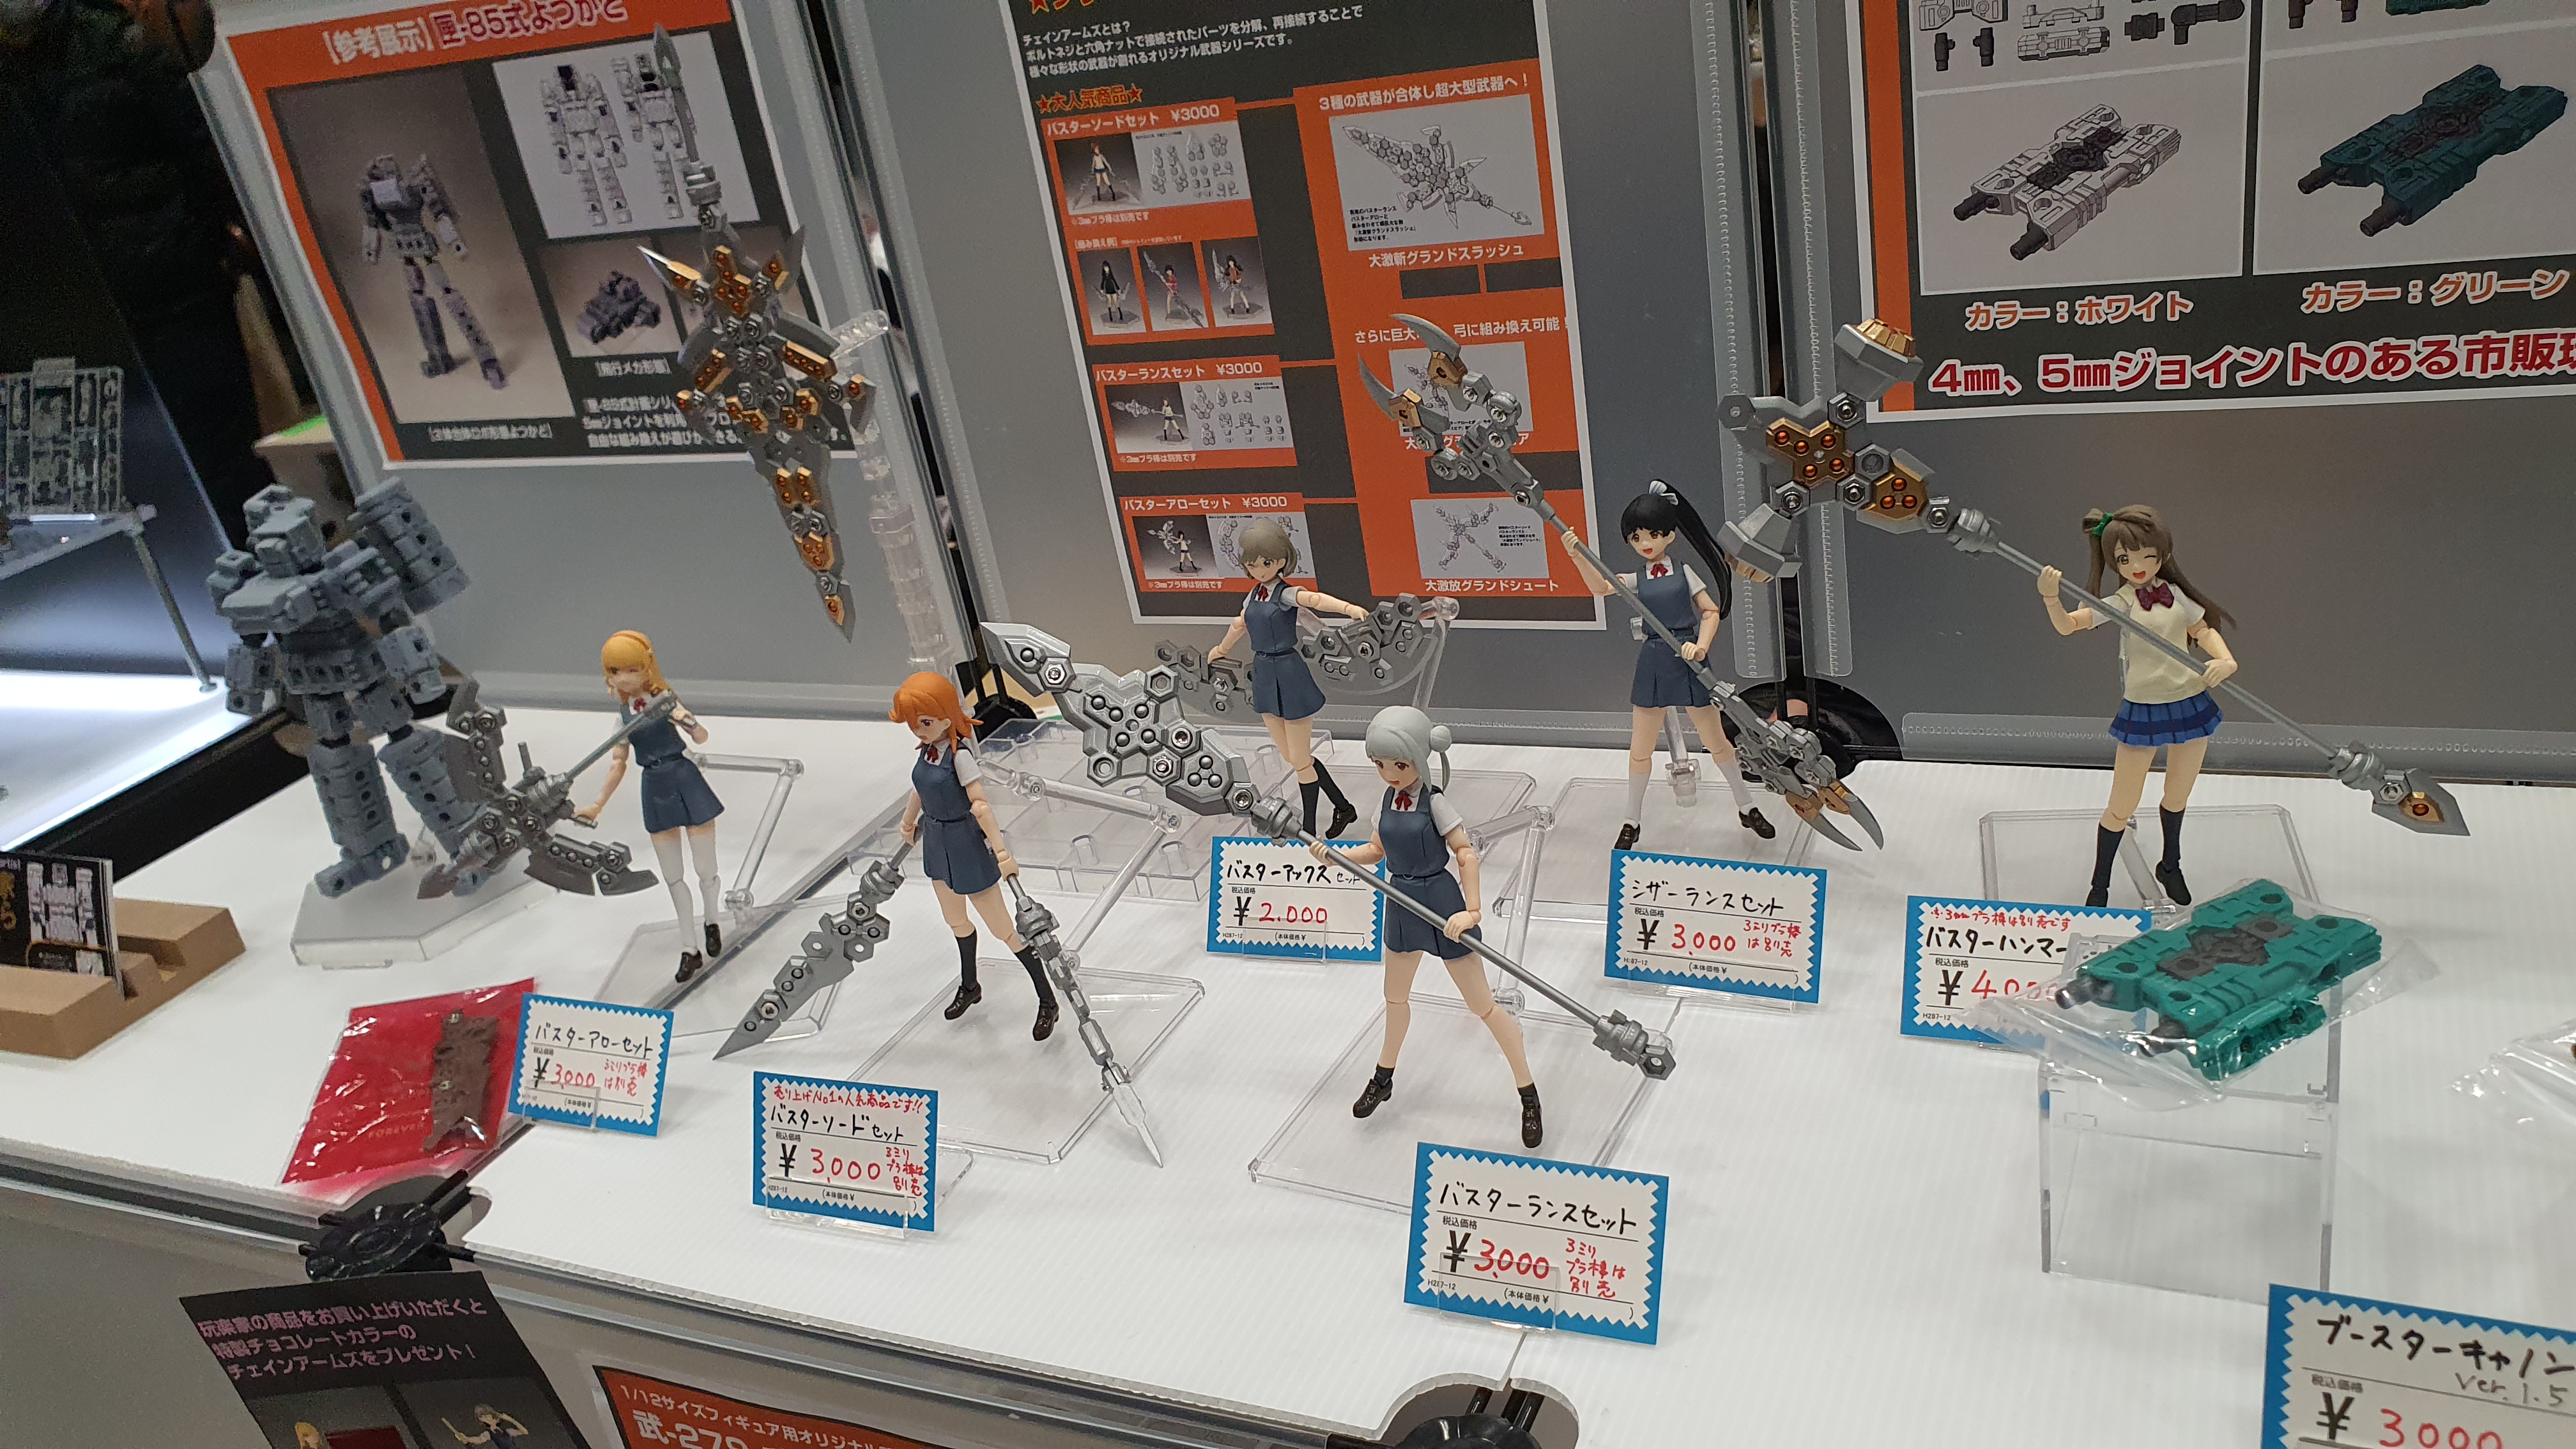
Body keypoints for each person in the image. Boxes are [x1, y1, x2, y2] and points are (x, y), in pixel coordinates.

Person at [1, 0, 286, 543]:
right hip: (51, 324)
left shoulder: (117, 45)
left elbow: (204, 155)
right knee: (72, 503)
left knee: (225, 466)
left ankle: (273, 572)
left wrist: (222, 249)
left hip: (173, 298)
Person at [1319, 707, 1540, 1147]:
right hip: (1401, 902)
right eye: (1380, 764)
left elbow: (1466, 854)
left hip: (1440, 902)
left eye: (1398, 765)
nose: (1389, 774)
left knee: (1484, 1007)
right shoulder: (1386, 800)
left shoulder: (1435, 802)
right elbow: (1376, 850)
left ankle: (1528, 1093)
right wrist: (1337, 856)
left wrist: (1472, 911)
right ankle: (1383, 1077)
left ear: (1420, 758)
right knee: (1395, 998)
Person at [2035, 505, 2237, 908]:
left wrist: (2226, 660)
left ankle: (2171, 865)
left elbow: (2202, 630)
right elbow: (2070, 626)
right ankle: (2100, 884)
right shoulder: (2122, 602)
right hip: (2143, 708)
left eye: (2147, 556)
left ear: (2163, 554)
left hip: (2189, 701)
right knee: (2121, 805)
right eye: (2125, 560)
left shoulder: (2176, 596)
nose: (2138, 567)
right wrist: (2051, 598)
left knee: (2177, 795)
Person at [1564, 480, 1775, 851]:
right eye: (1637, 537)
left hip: (1689, 658)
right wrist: (1578, 556)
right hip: (1655, 661)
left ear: (1669, 535)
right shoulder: (1638, 579)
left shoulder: (1684, 572)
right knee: (1641, 747)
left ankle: (1746, 806)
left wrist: (1701, 645)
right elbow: (1601, 587)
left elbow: (1710, 611)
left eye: (1653, 534)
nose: (1645, 543)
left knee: (1716, 741)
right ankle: (1631, 820)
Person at [893, 671, 1059, 1038]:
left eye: (925, 722)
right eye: (914, 723)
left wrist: (1001, 852)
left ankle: (1047, 999)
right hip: (937, 844)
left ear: (947, 717)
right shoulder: (927, 754)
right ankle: (970, 985)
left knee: (1005, 930)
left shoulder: (960, 757)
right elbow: (918, 789)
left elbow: (981, 806)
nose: (919, 730)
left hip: (966, 844)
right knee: (956, 922)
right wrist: (908, 821)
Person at [575, 631, 725, 981]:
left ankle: (713, 921)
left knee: (706, 869)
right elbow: (618, 763)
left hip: (685, 778)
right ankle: (689, 949)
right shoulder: (623, 718)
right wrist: (597, 805)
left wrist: (685, 719)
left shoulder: (665, 702)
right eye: (616, 671)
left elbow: (701, 737)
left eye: (632, 669)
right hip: (655, 787)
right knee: (674, 877)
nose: (624, 678)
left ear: (647, 667)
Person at [1204, 519, 1368, 837]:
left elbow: (1315, 601)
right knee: (1295, 758)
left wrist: (1349, 609)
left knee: (1300, 760)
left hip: (1289, 673)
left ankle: (1309, 829)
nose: (1259, 569)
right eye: (1252, 564)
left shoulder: (1286, 594)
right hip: (1264, 673)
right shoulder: (1254, 596)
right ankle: (1344, 808)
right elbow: (1240, 624)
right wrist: (1221, 649)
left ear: (1281, 560)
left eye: (1266, 563)